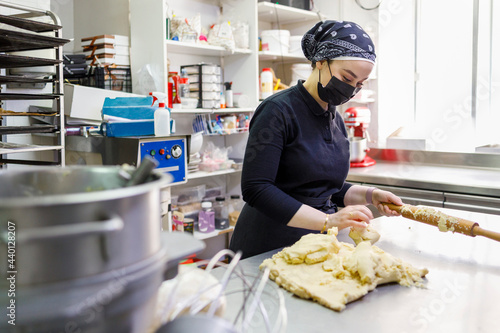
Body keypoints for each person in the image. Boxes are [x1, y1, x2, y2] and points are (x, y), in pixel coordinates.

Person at [229, 20, 403, 259]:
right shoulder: (277, 111)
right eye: (346, 77)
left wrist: (371, 195)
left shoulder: (335, 119)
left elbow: (323, 188)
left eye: (359, 84)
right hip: (268, 245)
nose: (351, 89)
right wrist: (328, 220)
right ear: (320, 62)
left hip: (315, 245)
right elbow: (256, 189)